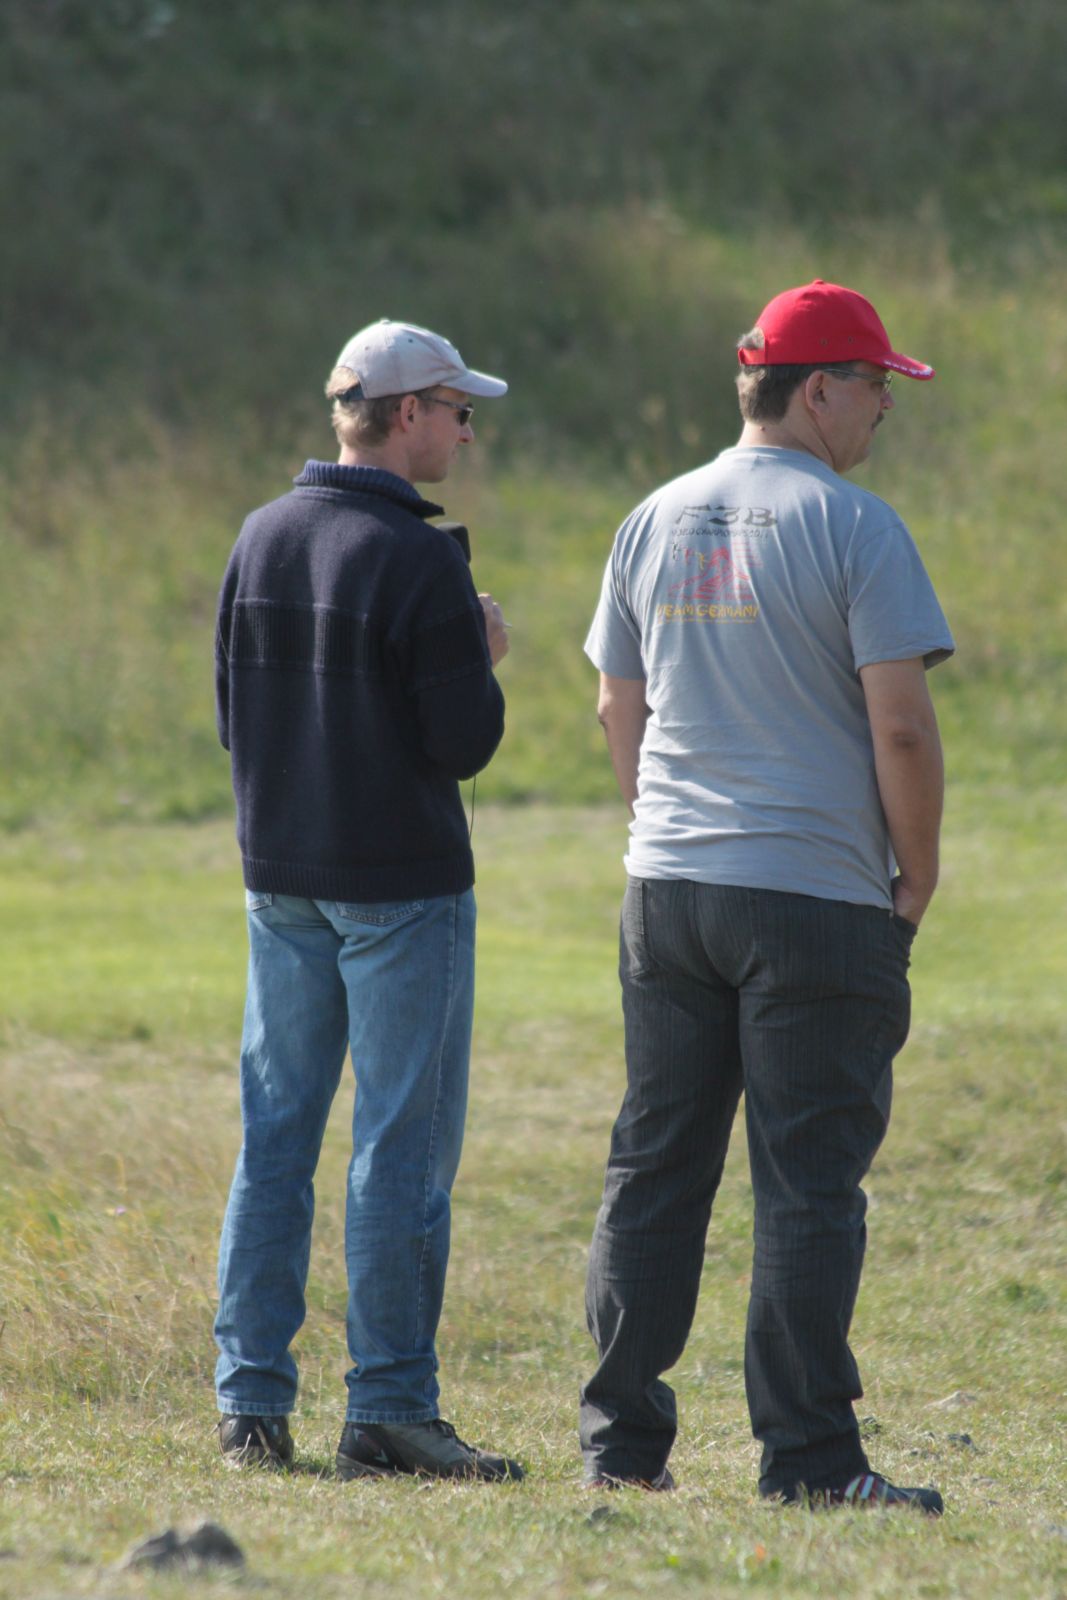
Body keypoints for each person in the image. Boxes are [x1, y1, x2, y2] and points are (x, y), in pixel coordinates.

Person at [579, 280, 953, 1512]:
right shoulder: (853, 526)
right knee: (804, 1181)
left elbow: (615, 705)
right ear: (817, 390)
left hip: (667, 889)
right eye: (875, 389)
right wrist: (915, 871)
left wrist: (658, 828)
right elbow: (899, 727)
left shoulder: (651, 516)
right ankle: (807, 1460)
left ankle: (619, 1444)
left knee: (654, 1164)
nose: (880, 411)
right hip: (811, 897)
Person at [213, 318, 522, 1482]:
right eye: (456, 410)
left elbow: (233, 718)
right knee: (399, 1151)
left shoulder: (258, 534)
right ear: (405, 415)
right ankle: (389, 1409)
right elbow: (464, 741)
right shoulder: (419, 558)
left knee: (274, 1140)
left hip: (280, 881)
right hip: (401, 890)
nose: (464, 432)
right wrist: (480, 653)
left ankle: (250, 1406)